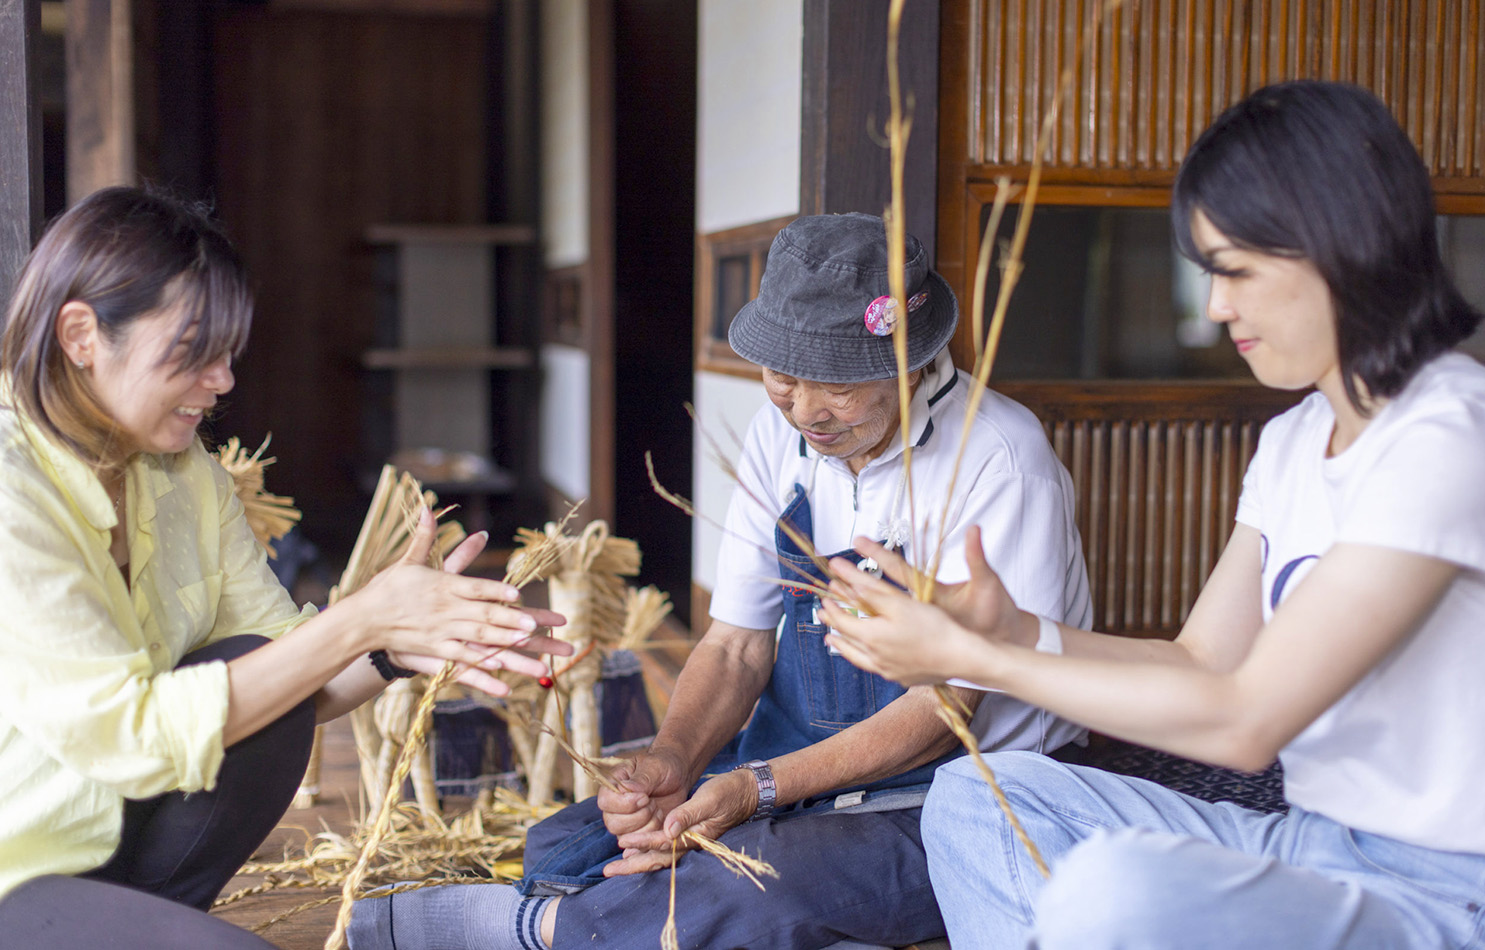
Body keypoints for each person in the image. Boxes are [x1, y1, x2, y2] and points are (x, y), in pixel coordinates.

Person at [822, 81, 1485, 950]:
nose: (1219, 307)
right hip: (1312, 840)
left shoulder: (1454, 434)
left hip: (1459, 890)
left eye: (1234, 271)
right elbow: (1199, 659)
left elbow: (1241, 720)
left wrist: (968, 657)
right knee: (985, 794)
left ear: (1338, 245)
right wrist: (1014, 633)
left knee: (1116, 893)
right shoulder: (1297, 439)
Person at [349, 212, 1092, 950]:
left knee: (751, 878)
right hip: (793, 761)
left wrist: (758, 789)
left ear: (907, 362)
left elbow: (946, 706)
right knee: (570, 844)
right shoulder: (784, 436)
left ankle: (536, 930)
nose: (803, 409)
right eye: (781, 377)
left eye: (830, 383)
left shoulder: (999, 459)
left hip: (961, 790)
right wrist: (674, 762)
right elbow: (736, 646)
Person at [0, 187, 569, 949]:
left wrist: (395, 642)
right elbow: (127, 734)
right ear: (81, 334)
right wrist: (362, 616)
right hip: (17, 864)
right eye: (193, 351)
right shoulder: (13, 486)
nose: (223, 380)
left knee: (261, 671)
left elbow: (297, 669)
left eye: (227, 354)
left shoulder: (180, 473)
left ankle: (132, 920)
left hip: (101, 852)